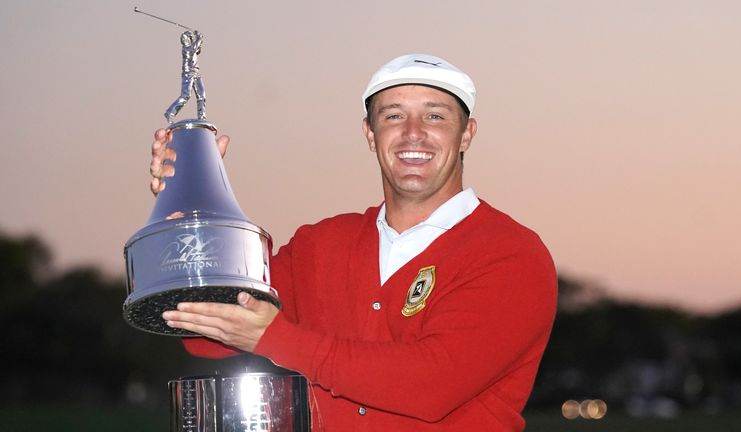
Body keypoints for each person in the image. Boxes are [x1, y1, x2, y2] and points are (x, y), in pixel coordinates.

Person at [153, 53, 557, 431]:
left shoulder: (511, 253)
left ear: (467, 133)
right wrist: (192, 200)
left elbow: (430, 387)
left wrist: (274, 337)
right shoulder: (321, 244)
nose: (413, 133)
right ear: (369, 133)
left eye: (435, 116)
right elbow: (204, 328)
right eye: (393, 116)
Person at [164, 30, 206, 123]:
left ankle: (202, 117)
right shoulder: (186, 48)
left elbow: (198, 49)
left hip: (196, 73)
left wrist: (200, 41)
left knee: (201, 96)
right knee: (185, 96)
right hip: (188, 75)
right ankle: (170, 113)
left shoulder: (193, 48)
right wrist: (199, 37)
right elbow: (194, 48)